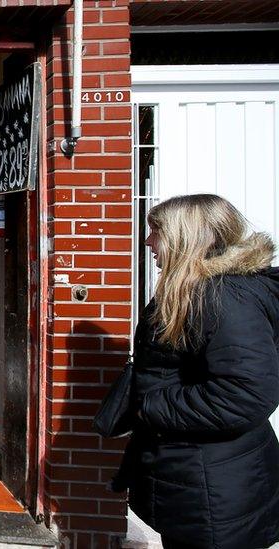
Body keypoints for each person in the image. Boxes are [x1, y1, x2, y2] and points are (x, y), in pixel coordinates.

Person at [114, 194, 279, 549]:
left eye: (156, 231)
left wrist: (153, 405)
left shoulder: (223, 298)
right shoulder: (194, 292)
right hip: (201, 482)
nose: (148, 242)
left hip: (217, 490)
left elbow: (246, 394)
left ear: (187, 237)